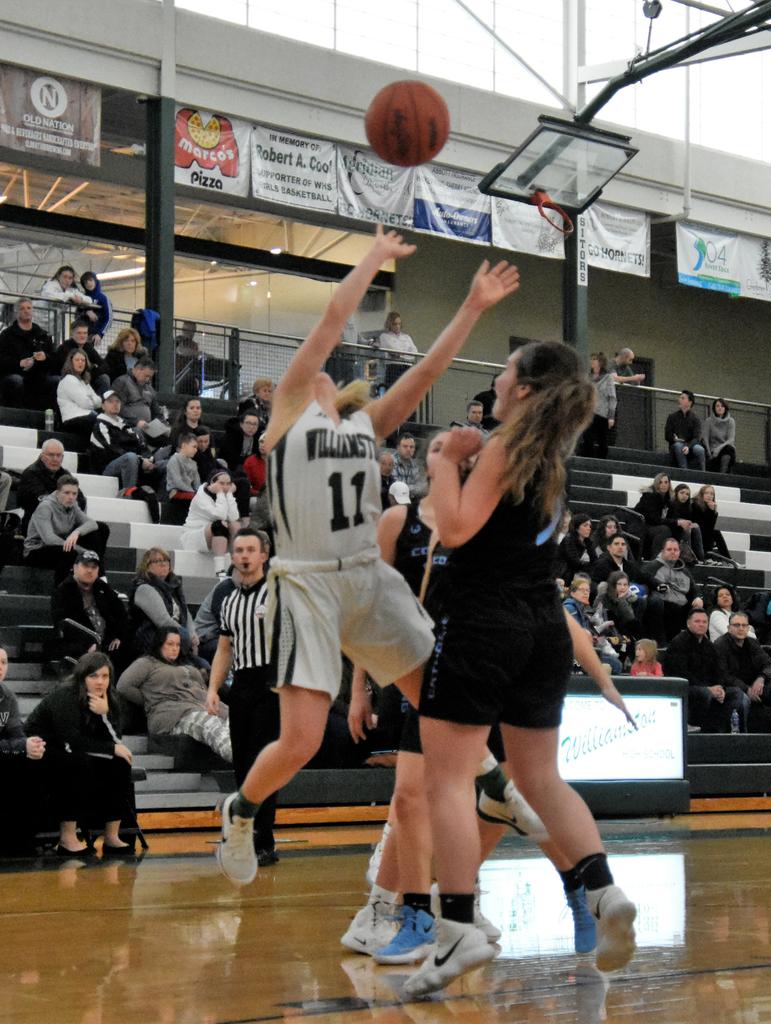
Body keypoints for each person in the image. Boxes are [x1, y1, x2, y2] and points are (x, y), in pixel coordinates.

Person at [216, 226, 521, 892]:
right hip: (305, 587)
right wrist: (373, 261)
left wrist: (472, 306)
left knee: (435, 696)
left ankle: (494, 783)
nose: (320, 367)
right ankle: (240, 811)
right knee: (297, 740)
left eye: (330, 372)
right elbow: (330, 320)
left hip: (365, 577)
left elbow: (430, 371)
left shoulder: (366, 423)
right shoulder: (287, 415)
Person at [402, 340, 637, 996]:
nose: (497, 379)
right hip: (543, 628)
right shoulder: (552, 461)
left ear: (526, 390)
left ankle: (455, 931)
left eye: (504, 372)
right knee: (540, 778)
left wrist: (444, 461)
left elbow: (452, 528)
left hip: (485, 626)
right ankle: (603, 890)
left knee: (445, 783)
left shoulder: (503, 448)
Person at [206, 529, 280, 867]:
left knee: (263, 765)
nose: (244, 556)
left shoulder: (279, 592)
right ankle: (244, 834)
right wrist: (211, 689)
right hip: (242, 686)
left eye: (251, 550)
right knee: (241, 763)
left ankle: (264, 840)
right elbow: (224, 648)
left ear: (264, 555)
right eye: (239, 550)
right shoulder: (230, 599)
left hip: (272, 684)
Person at [24, 652, 134, 855]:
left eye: (105, 676)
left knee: (120, 763)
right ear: (82, 677)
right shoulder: (65, 695)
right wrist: (110, 749)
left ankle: (111, 836)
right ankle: (67, 838)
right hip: (42, 750)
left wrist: (105, 715)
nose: (100, 682)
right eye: (93, 676)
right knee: (76, 763)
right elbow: (70, 741)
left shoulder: (110, 698)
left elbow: (117, 741)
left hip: (77, 750)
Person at [117, 626, 232, 762]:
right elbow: (123, 686)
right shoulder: (147, 663)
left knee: (242, 721)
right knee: (211, 725)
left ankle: (257, 764)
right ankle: (249, 764)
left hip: (205, 706)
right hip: (175, 714)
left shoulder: (186, 664)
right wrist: (150, 699)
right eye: (170, 644)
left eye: (178, 644)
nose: (175, 648)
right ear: (159, 644)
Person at [662, 608, 747, 733]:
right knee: (704, 693)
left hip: (705, 687)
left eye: (704, 622)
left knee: (736, 693)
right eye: (697, 621)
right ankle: (699, 729)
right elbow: (681, 674)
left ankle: (718, 730)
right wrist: (708, 689)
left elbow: (718, 670)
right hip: (682, 687)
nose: (701, 624)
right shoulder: (678, 643)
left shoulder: (708, 645)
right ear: (688, 623)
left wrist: (719, 687)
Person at [714, 613, 771, 732]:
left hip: (755, 685)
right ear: (729, 628)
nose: (741, 628)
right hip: (732, 688)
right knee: (742, 698)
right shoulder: (720, 644)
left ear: (748, 628)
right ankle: (742, 732)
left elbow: (769, 665)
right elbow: (724, 675)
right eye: (736, 625)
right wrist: (746, 689)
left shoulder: (752, 643)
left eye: (744, 625)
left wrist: (761, 678)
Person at [0, 645, 46, 856]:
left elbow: (17, 735)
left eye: (3, 662)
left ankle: (22, 840)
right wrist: (20, 747)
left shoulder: (8, 697)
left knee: (34, 763)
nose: (0, 667)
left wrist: (31, 745)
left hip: (4, 753)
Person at [23, 474, 109, 583]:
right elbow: (50, 539)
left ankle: (99, 577)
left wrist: (76, 532)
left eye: (74, 493)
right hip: (37, 549)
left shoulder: (73, 505)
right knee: (69, 552)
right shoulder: (45, 507)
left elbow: (92, 523)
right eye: (67, 493)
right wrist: (83, 552)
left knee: (101, 529)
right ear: (58, 493)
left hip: (64, 544)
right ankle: (62, 591)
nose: (71, 497)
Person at [51, 550, 128, 667]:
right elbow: (63, 624)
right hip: (78, 643)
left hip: (106, 642)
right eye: (85, 566)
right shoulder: (63, 591)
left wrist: (118, 636)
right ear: (75, 568)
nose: (90, 570)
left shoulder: (103, 587)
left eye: (94, 567)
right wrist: (88, 643)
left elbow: (121, 613)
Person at [128, 547, 200, 659]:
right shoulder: (144, 588)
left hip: (177, 638)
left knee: (204, 666)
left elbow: (185, 613)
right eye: (157, 561)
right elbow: (163, 620)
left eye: (166, 560)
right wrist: (186, 635)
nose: (163, 564)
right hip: (153, 644)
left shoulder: (174, 588)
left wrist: (193, 633)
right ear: (146, 566)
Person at [89, 390, 163, 494]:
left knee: (165, 461)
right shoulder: (100, 425)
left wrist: (149, 459)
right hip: (107, 469)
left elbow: (140, 446)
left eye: (117, 401)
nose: (115, 404)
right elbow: (112, 451)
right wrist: (141, 461)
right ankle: (128, 494)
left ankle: (161, 499)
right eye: (110, 401)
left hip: (135, 462)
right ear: (103, 406)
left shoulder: (125, 425)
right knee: (130, 457)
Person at [17, 439, 87, 530]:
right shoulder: (30, 474)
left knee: (100, 529)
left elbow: (81, 499)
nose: (55, 459)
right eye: (51, 455)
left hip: (65, 521)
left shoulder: (64, 474)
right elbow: (44, 502)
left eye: (58, 455)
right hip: (38, 524)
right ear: (42, 456)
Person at [0, 297, 57, 408]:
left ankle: (51, 419)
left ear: (33, 311)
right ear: (16, 312)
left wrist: (45, 357)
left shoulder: (43, 335)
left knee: (56, 381)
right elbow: (1, 359)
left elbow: (55, 360)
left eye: (29, 308)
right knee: (16, 380)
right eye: (22, 308)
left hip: (38, 376)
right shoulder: (6, 335)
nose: (26, 311)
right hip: (15, 375)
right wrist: (19, 363)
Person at [181, 469, 240, 575]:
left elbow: (234, 517)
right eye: (221, 483)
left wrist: (230, 495)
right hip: (195, 535)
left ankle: (235, 564)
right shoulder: (200, 497)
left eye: (228, 484)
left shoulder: (226, 494)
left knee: (235, 525)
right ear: (212, 483)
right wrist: (221, 494)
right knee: (219, 525)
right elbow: (219, 515)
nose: (225, 487)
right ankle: (220, 569)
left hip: (217, 535)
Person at [644, 538, 703, 640]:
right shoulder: (652, 567)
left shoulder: (683, 570)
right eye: (669, 549)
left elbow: (693, 587)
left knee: (700, 606)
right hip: (658, 602)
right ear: (662, 551)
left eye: (675, 550)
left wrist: (697, 597)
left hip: (678, 602)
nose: (673, 552)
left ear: (679, 553)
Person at [563, 576, 622, 675]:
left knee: (615, 662)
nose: (586, 593)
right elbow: (577, 635)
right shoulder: (570, 608)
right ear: (572, 593)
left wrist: (597, 633)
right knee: (616, 665)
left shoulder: (581, 609)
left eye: (588, 590)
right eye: (582, 590)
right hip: (573, 654)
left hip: (582, 651)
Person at [52, 320, 110, 397]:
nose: (82, 336)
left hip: (85, 378)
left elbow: (104, 365)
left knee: (104, 378)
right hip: (66, 378)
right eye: (79, 333)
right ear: (72, 334)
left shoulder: (88, 347)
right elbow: (66, 368)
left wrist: (93, 372)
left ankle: (100, 406)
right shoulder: (65, 347)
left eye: (85, 333)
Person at [113, 358, 167, 434]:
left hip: (148, 428)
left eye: (150, 377)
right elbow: (117, 407)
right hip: (128, 426)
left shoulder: (149, 388)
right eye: (146, 376)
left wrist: (164, 425)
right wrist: (136, 421)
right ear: (138, 370)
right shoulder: (122, 382)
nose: (148, 380)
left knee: (171, 435)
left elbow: (156, 412)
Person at [56, 349, 101, 437]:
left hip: (87, 417)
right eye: (77, 360)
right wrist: (92, 400)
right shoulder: (69, 380)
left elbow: (99, 402)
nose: (80, 362)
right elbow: (85, 404)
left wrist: (91, 400)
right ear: (71, 362)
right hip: (73, 420)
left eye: (83, 360)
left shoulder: (84, 382)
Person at [579, 353, 616, 458]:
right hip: (589, 411)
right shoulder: (588, 377)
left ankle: (602, 460)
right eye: (592, 359)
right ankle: (587, 458)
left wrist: (611, 416)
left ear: (600, 362)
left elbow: (612, 397)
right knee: (587, 437)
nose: (592, 361)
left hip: (602, 413)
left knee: (602, 439)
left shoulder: (608, 378)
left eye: (595, 359)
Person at [633, 472, 672, 558]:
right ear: (656, 484)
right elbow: (654, 519)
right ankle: (655, 559)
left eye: (666, 482)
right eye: (660, 482)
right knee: (664, 529)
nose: (663, 485)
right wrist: (676, 522)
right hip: (642, 525)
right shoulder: (649, 496)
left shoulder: (668, 499)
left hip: (652, 525)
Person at [375, 311, 418, 388]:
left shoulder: (406, 337)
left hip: (407, 367)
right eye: (395, 324)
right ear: (390, 324)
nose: (397, 326)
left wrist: (401, 355)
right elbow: (394, 350)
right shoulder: (385, 336)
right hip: (394, 368)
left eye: (399, 324)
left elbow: (414, 353)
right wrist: (405, 353)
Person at [665, 390, 706, 471]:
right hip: (676, 445)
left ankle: (703, 473)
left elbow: (696, 437)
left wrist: (688, 446)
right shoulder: (672, 417)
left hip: (690, 445)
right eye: (680, 398)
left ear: (690, 402)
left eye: (682, 398)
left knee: (700, 449)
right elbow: (667, 435)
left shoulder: (695, 419)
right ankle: (685, 471)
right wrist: (674, 439)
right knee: (678, 445)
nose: (679, 400)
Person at [690, 485, 732, 563]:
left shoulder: (712, 510)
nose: (709, 496)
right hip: (694, 533)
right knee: (714, 531)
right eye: (706, 493)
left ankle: (728, 559)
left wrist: (711, 511)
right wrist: (710, 512)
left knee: (715, 531)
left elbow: (710, 526)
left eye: (712, 494)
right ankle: (725, 558)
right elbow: (700, 524)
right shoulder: (694, 505)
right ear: (701, 494)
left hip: (705, 536)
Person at [666, 484, 704, 563]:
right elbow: (667, 520)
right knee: (687, 527)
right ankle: (687, 556)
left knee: (696, 527)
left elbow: (691, 520)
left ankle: (701, 558)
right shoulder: (670, 504)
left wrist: (692, 524)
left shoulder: (688, 507)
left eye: (687, 494)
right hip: (671, 528)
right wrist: (681, 522)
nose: (684, 496)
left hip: (683, 530)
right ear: (676, 493)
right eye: (682, 493)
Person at [558, 513, 597, 585]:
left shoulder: (588, 542)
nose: (589, 528)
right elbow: (575, 563)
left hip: (583, 575)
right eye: (585, 525)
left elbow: (594, 560)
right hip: (566, 575)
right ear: (576, 527)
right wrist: (588, 564)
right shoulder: (568, 540)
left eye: (590, 526)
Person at [165, 433, 200, 504]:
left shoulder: (193, 463)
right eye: (194, 447)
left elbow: (197, 482)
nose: (196, 450)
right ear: (184, 445)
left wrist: (199, 493)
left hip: (190, 492)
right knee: (197, 500)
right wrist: (193, 492)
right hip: (175, 492)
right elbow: (177, 482)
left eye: (197, 448)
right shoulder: (174, 460)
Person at [702, 398, 736, 473]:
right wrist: (709, 452)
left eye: (722, 406)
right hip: (712, 451)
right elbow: (705, 438)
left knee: (729, 449)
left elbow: (731, 440)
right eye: (717, 406)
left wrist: (719, 449)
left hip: (724, 449)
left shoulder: (731, 421)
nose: (720, 408)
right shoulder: (709, 421)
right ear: (714, 408)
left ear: (725, 408)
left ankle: (722, 474)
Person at [78, 272, 111, 345]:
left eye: (90, 280)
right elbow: (77, 314)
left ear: (95, 281)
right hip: (81, 331)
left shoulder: (103, 298)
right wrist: (87, 312)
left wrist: (100, 334)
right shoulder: (82, 297)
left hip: (94, 333)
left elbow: (109, 318)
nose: (88, 283)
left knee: (86, 351)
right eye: (85, 282)